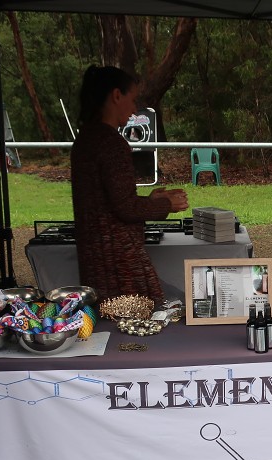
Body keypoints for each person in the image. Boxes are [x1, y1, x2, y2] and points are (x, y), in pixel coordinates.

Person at [71, 65, 189, 305]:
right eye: (133, 99)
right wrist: (166, 205)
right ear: (116, 95)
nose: (135, 109)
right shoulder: (112, 144)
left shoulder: (85, 139)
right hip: (118, 261)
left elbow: (109, 201)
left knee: (105, 316)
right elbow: (125, 208)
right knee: (134, 316)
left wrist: (150, 200)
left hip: (94, 254)